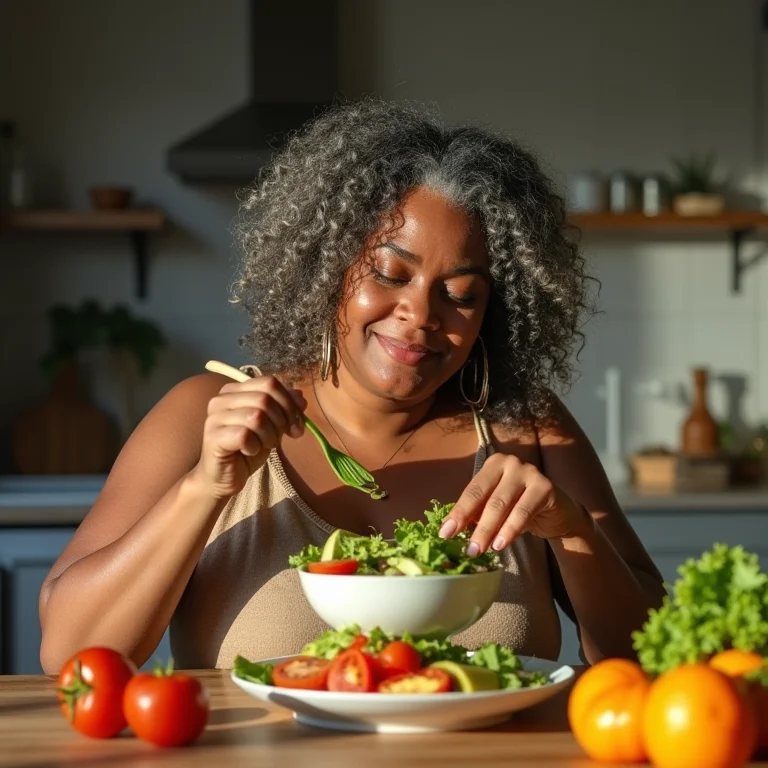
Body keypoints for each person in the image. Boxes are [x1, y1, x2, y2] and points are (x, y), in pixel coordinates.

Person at [38, 99, 665, 673]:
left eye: (460, 295)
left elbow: (648, 655)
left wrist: (572, 527)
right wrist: (207, 487)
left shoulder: (526, 426)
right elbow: (69, 651)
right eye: (391, 274)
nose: (420, 314)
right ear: (330, 267)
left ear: (491, 314)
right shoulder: (203, 415)